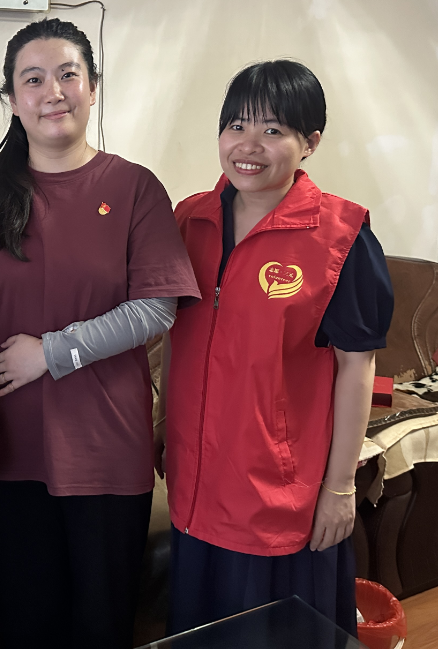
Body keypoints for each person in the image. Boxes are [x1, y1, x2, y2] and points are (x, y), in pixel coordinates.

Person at [0, 18, 201, 648]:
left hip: (108, 444)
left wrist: (50, 353)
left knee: (103, 625)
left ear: (93, 87)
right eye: (33, 80)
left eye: (68, 75)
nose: (52, 92)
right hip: (13, 444)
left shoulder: (134, 187)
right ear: (12, 99)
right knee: (28, 624)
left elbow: (156, 309)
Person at [156, 60, 394, 637]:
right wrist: (161, 423)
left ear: (310, 142)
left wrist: (340, 488)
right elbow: (171, 336)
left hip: (278, 498)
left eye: (272, 130)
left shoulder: (340, 237)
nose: (248, 146)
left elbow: (357, 367)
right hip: (195, 484)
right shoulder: (189, 221)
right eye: (236, 126)